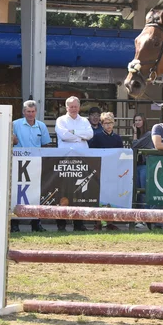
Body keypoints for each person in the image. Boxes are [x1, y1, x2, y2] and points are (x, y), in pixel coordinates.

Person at [11, 100, 52, 232]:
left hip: (36, 164)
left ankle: (36, 223)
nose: (30, 114)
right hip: (18, 163)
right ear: (23, 112)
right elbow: (8, 141)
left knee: (36, 192)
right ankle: (15, 223)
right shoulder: (15, 124)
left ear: (36, 112)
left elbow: (46, 145)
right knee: (17, 193)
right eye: (28, 111)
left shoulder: (41, 126)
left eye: (33, 111)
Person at [55, 96, 93, 231]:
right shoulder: (61, 120)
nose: (73, 109)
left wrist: (74, 133)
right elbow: (64, 136)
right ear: (66, 108)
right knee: (63, 193)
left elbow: (90, 135)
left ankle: (79, 224)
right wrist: (80, 136)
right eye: (71, 106)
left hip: (82, 160)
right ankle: (61, 225)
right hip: (65, 161)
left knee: (80, 192)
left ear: (79, 107)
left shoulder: (84, 120)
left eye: (75, 106)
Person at [87, 109, 124, 231]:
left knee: (111, 196)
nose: (108, 125)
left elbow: (120, 155)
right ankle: (97, 222)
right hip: (100, 170)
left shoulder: (118, 138)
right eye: (106, 123)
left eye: (111, 123)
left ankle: (109, 222)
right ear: (102, 124)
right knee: (99, 196)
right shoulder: (96, 137)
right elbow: (91, 153)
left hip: (113, 170)